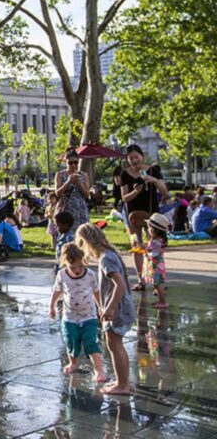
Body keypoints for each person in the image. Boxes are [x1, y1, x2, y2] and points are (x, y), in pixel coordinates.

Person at [75, 223, 135, 395]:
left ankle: (122, 386)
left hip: (118, 309)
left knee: (114, 345)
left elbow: (120, 285)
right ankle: (123, 381)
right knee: (117, 345)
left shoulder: (105, 259)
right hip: (122, 307)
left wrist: (109, 307)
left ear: (87, 242)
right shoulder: (110, 254)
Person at [48, 243, 107, 383]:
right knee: (71, 341)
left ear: (84, 261)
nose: (77, 270)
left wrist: (101, 307)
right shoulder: (62, 274)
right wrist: (51, 306)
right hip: (69, 317)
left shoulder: (90, 275)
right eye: (72, 267)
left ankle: (99, 371)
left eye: (81, 266)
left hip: (89, 316)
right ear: (65, 262)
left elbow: (96, 292)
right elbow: (57, 291)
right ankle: (73, 363)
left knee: (90, 342)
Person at [120, 144, 168, 291]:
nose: (134, 160)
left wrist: (153, 180)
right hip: (133, 215)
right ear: (127, 160)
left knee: (153, 248)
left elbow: (165, 191)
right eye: (131, 158)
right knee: (136, 246)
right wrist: (136, 192)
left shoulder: (153, 170)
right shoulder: (125, 174)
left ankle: (156, 281)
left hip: (151, 215)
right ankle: (141, 280)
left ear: (142, 156)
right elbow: (124, 198)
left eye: (136, 157)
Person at [134, 213, 169, 309]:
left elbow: (150, 250)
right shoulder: (157, 239)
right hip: (155, 265)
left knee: (157, 285)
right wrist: (141, 246)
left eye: (149, 227)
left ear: (155, 230)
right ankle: (160, 297)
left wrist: (142, 248)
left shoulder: (156, 242)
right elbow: (147, 245)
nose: (147, 229)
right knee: (156, 284)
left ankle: (163, 302)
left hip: (155, 266)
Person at [54, 147, 90, 233]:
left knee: (82, 234)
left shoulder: (83, 175)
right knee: (66, 235)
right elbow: (57, 194)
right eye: (70, 163)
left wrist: (79, 183)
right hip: (66, 209)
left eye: (76, 162)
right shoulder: (60, 174)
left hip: (80, 209)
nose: (73, 165)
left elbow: (87, 195)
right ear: (65, 162)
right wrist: (68, 182)